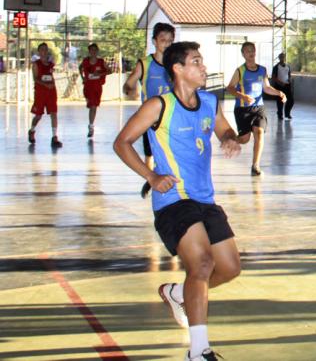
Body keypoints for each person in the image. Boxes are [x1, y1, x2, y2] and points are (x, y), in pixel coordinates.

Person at [113, 41, 242, 361]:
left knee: (229, 268)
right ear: (178, 69)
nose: (203, 67)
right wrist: (151, 177)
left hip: (205, 199)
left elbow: (225, 130)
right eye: (196, 61)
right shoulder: (158, 106)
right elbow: (122, 143)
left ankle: (176, 293)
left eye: (202, 61)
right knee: (201, 263)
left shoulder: (210, 102)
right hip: (172, 200)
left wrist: (230, 140)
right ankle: (199, 351)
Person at [123, 23, 176, 197]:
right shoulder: (145, 63)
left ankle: (173, 178)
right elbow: (129, 83)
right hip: (151, 116)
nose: (166, 44)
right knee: (150, 151)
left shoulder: (176, 64)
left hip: (172, 115)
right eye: (163, 40)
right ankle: (150, 179)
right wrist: (129, 89)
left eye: (170, 41)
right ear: (154, 41)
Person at [226, 42, 286, 176]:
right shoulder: (240, 71)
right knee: (245, 139)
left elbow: (266, 87)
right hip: (242, 109)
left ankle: (255, 165)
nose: (251, 53)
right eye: (247, 51)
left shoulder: (262, 70)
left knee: (259, 132)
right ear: (243, 54)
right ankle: (232, 139)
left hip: (258, 107)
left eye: (252, 50)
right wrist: (243, 96)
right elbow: (229, 88)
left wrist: (279, 93)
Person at [28, 43, 61, 148]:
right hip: (40, 92)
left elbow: (51, 76)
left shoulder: (51, 64)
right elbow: (36, 78)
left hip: (51, 92)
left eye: (46, 49)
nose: (44, 51)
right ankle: (32, 130)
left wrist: (52, 85)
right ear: (39, 52)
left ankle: (54, 137)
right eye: (42, 49)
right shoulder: (36, 64)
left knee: (53, 113)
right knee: (38, 115)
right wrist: (46, 84)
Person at [79, 43, 110, 139]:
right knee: (92, 106)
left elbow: (110, 71)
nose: (93, 52)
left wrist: (100, 74)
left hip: (97, 87)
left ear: (97, 51)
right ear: (89, 51)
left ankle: (91, 126)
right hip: (88, 86)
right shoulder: (85, 61)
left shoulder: (101, 62)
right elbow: (80, 67)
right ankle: (91, 125)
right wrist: (82, 77)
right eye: (91, 50)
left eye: (95, 50)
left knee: (94, 106)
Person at [271, 53, 294, 121]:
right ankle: (280, 114)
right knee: (280, 101)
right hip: (279, 86)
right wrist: (280, 83)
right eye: (281, 57)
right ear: (279, 58)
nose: (282, 58)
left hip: (287, 85)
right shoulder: (276, 67)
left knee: (291, 100)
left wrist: (289, 80)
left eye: (283, 57)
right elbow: (274, 77)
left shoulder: (288, 66)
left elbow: (289, 75)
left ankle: (287, 113)